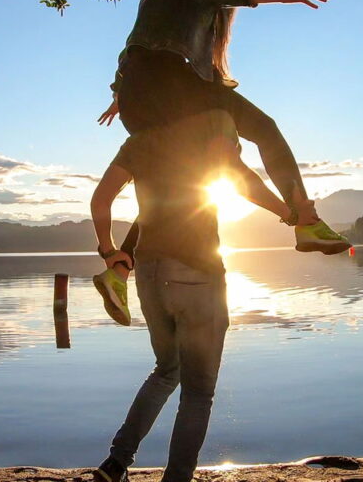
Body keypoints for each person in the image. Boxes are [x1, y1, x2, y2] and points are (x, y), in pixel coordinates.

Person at [92, 0, 351, 326]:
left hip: (138, 94)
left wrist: (119, 94)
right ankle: (305, 218)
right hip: (171, 83)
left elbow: (132, 45)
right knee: (264, 129)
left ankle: (118, 271)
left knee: (168, 187)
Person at [90, 107, 284, 482]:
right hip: (198, 274)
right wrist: (290, 213)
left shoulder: (139, 141)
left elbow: (100, 200)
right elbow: (242, 181)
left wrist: (109, 251)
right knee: (198, 393)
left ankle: (116, 463)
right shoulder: (210, 124)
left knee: (166, 371)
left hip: (148, 274)